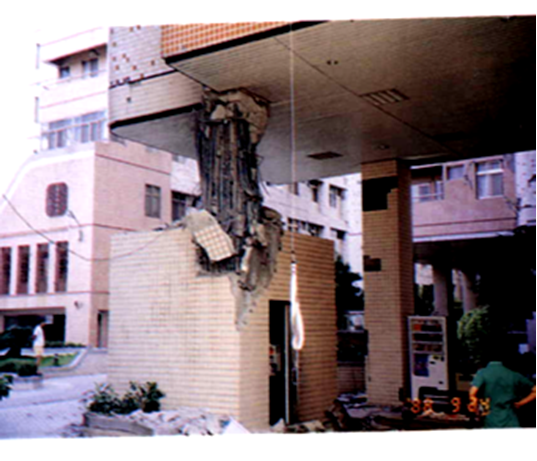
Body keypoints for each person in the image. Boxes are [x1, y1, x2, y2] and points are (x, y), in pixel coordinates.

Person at [469, 357, 537, 429]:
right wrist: (520, 403)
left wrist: (474, 401)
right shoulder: (513, 374)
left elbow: (473, 392)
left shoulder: (482, 373)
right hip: (511, 420)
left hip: (490, 420)